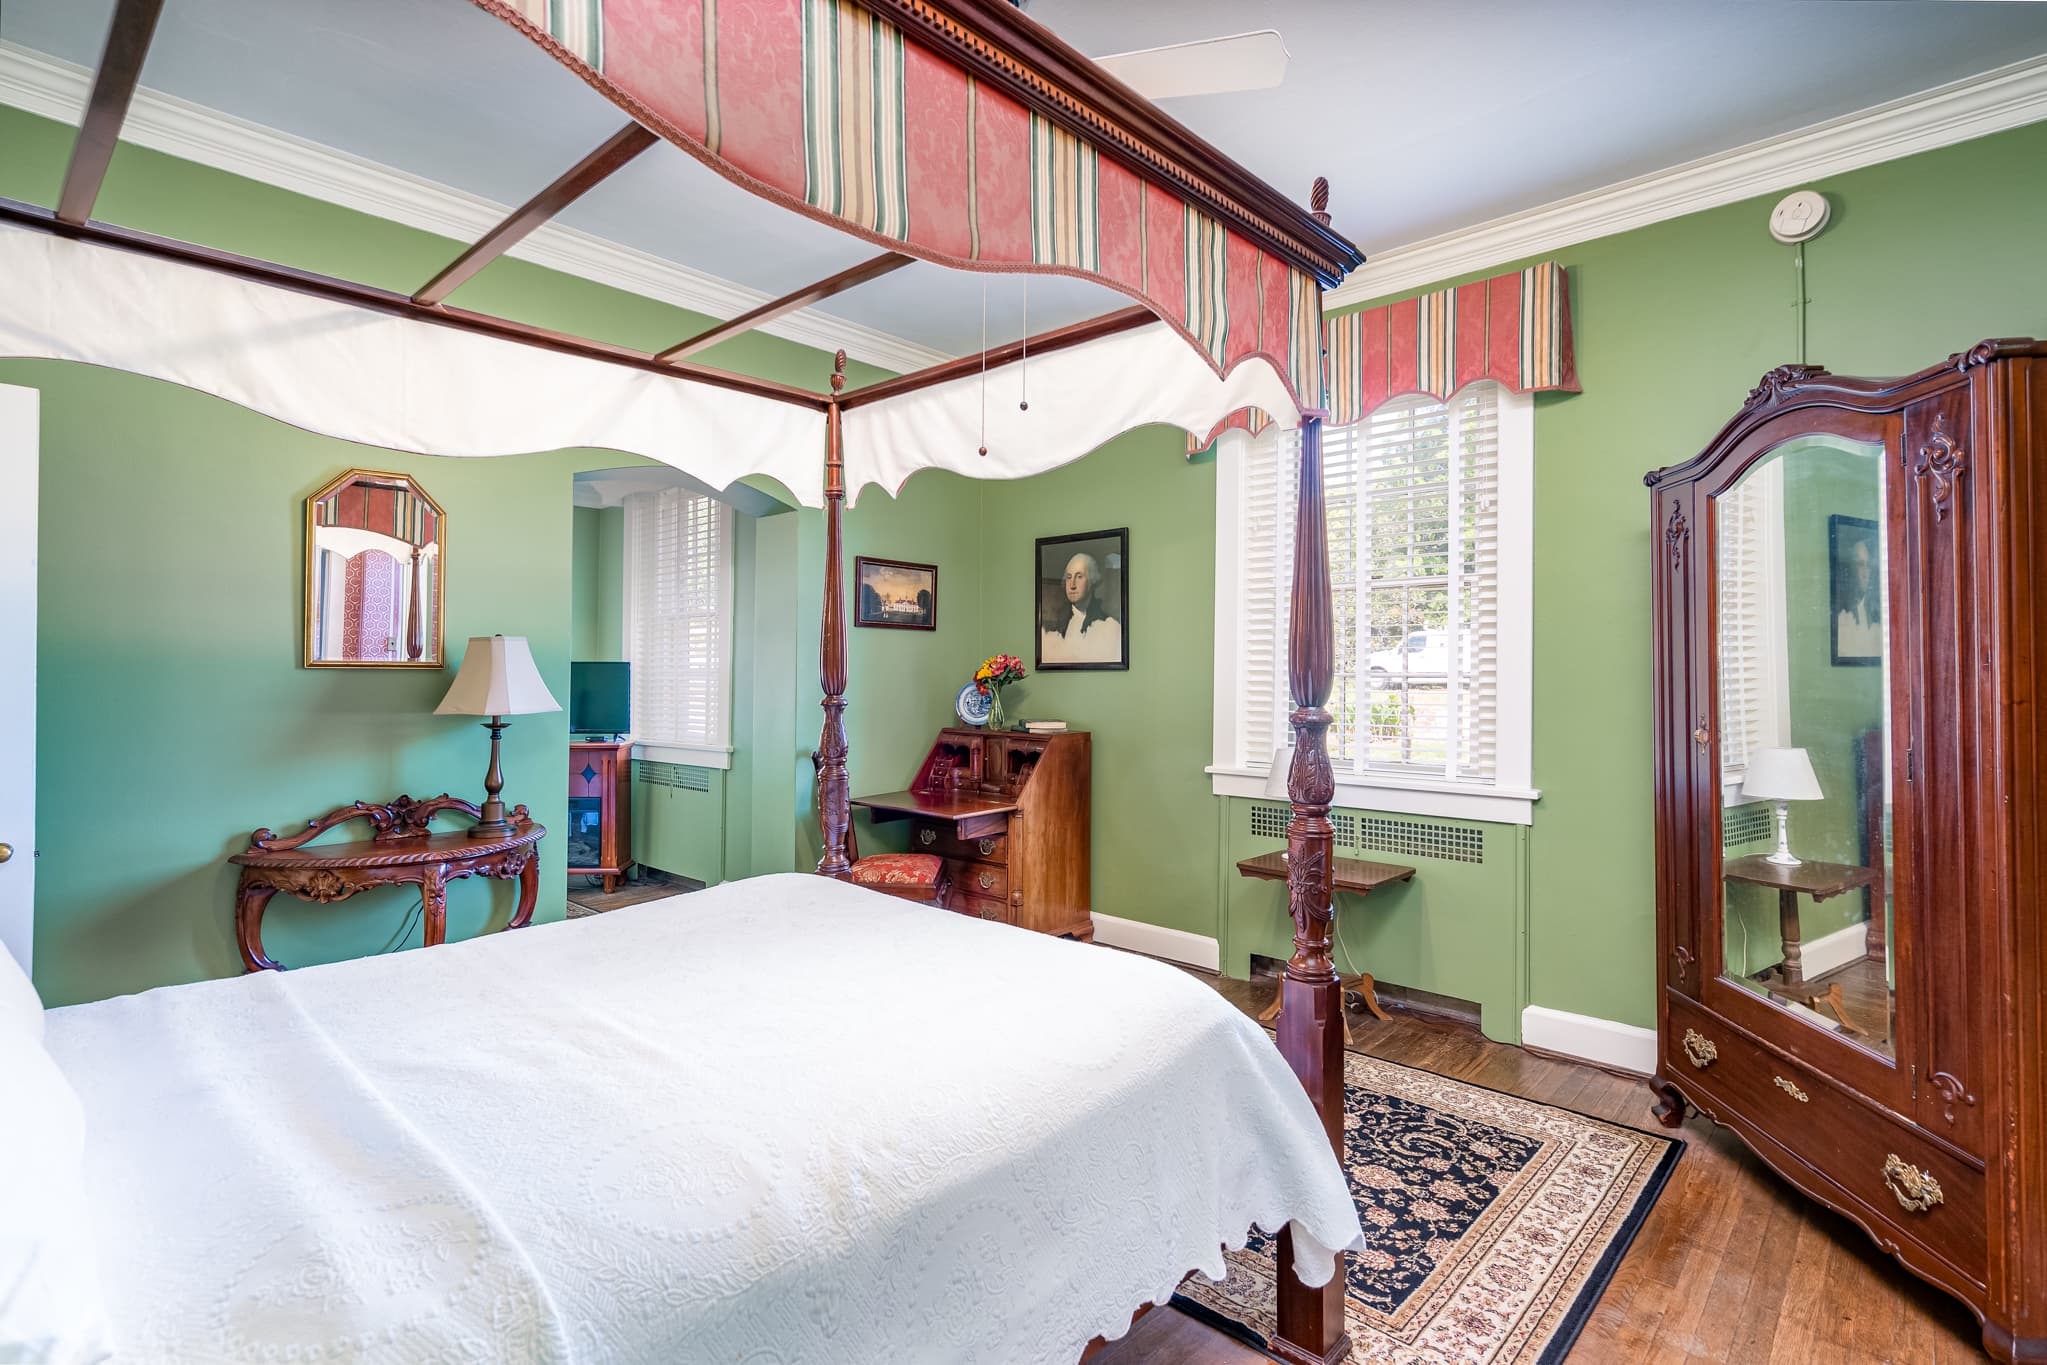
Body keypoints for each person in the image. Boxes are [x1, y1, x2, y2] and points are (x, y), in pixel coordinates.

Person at [1040, 551, 1123, 664]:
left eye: (1079, 577)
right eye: (1069, 577)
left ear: (1092, 581)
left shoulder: (1109, 626)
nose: (1072, 585)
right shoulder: (1053, 626)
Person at [1836, 535, 1883, 658]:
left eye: (1868, 565)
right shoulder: (1840, 615)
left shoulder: (1876, 613)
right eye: (1860, 564)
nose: (1865, 573)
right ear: (1850, 569)